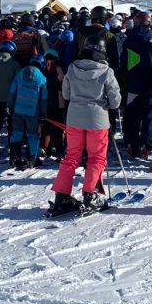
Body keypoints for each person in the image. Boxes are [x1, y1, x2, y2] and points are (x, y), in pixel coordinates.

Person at [49, 36, 121, 215]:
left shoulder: (73, 68)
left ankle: (62, 196)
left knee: (71, 157)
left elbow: (66, 94)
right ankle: (90, 195)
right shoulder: (106, 71)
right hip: (97, 120)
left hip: (74, 119)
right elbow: (115, 101)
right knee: (96, 157)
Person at [121, 17, 152, 159]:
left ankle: (132, 144)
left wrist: (125, 79)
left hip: (134, 84)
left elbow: (124, 64)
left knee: (132, 116)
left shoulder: (129, 41)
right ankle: (147, 146)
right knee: (149, 115)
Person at [8, 54, 48, 169]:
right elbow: (43, 99)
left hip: (18, 109)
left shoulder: (20, 73)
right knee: (33, 135)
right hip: (33, 112)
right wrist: (43, 115)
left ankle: (13, 158)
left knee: (17, 133)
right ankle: (32, 159)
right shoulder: (42, 78)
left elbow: (12, 91)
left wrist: (9, 106)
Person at [0, 40, 21, 161]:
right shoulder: (15, 64)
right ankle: (11, 147)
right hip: (11, 98)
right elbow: (18, 81)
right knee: (11, 124)